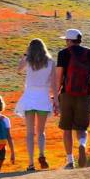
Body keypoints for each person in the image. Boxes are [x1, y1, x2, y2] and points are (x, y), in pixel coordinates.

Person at [56, 29, 90, 169]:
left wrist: (55, 94)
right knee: (82, 128)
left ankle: (70, 161)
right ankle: (82, 144)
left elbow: (59, 76)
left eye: (66, 40)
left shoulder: (63, 53)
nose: (65, 42)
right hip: (84, 95)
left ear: (70, 41)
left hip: (66, 95)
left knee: (66, 128)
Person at [15, 38, 58, 171]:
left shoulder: (28, 61)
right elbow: (54, 83)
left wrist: (25, 55)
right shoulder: (50, 62)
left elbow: (18, 70)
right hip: (43, 98)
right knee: (41, 131)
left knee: (29, 133)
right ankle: (42, 154)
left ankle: (31, 163)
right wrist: (55, 99)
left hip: (29, 97)